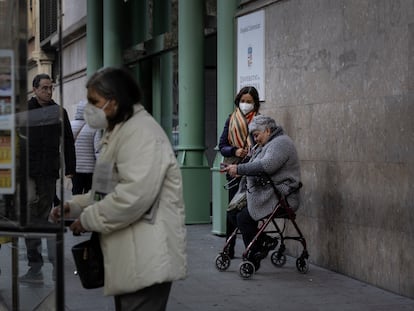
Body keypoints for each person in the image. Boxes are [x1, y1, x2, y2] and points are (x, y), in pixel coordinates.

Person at [51, 67, 187, 311]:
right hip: (130, 254)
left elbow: (133, 196)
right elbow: (105, 190)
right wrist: (76, 206)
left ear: (114, 102)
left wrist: (88, 219)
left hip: (146, 255)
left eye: (95, 101)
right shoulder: (117, 131)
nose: (90, 108)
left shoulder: (141, 133)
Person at [224, 115, 301, 270]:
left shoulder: (281, 143)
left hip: (282, 196)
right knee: (232, 214)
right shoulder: (267, 144)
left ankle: (253, 255)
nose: (255, 139)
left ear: (267, 130)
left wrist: (239, 169)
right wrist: (240, 171)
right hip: (269, 193)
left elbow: (266, 165)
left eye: (256, 135)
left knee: (244, 217)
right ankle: (262, 243)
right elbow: (255, 164)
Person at [19, 73, 76, 283]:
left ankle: (51, 265)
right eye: (44, 88)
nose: (48, 91)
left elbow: (68, 140)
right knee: (31, 219)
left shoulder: (59, 112)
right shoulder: (25, 110)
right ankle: (35, 266)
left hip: (49, 173)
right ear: (34, 89)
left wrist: (71, 168)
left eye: (51, 88)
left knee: (45, 218)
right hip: (29, 173)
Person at [218, 86, 260, 258]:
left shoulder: (260, 121)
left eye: (249, 102)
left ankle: (252, 249)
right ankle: (229, 247)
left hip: (253, 170)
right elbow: (222, 146)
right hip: (234, 170)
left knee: (251, 211)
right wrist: (234, 150)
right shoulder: (231, 119)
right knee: (232, 210)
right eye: (243, 101)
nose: (245, 104)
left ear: (255, 103)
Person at [70, 100, 102, 195]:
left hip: (75, 168)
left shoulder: (70, 126)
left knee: (76, 191)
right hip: (90, 169)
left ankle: (75, 209)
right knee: (89, 194)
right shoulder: (94, 127)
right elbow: (97, 150)